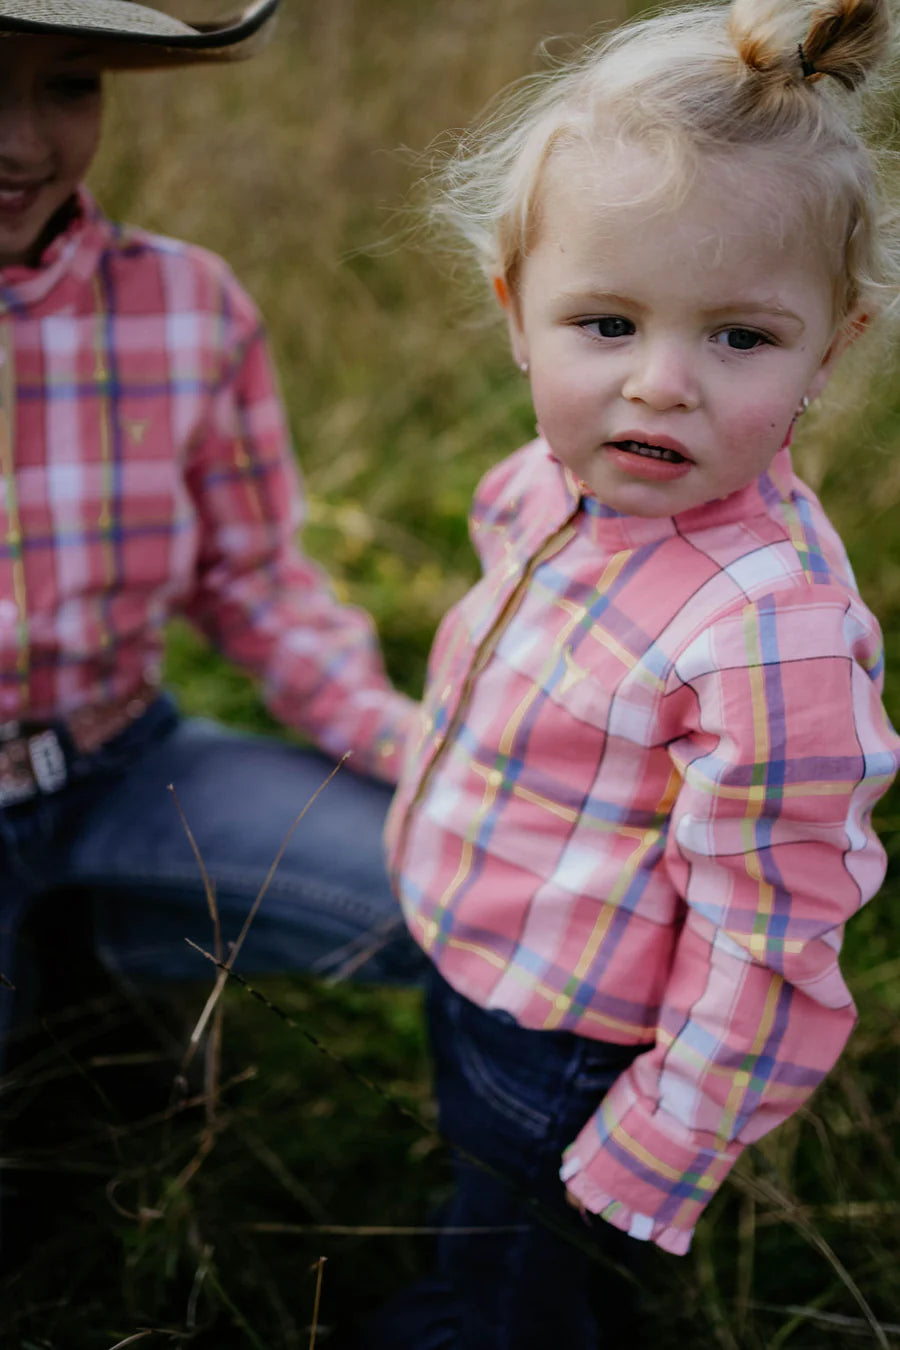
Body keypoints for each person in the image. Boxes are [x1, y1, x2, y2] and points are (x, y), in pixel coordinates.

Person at [373, 0, 900, 1345]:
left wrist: (654, 1144)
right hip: (484, 959)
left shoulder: (766, 632)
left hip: (583, 1045)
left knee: (518, 1288)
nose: (660, 386)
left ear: (829, 349)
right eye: (606, 323)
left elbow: (767, 929)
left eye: (739, 337)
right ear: (516, 317)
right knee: (482, 1198)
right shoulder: (539, 486)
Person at [0, 0, 425, 1089]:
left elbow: (256, 576)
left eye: (68, 85)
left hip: (122, 759)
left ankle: (87, 939)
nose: (24, 142)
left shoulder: (185, 303)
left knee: (473, 896)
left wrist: (409, 747)